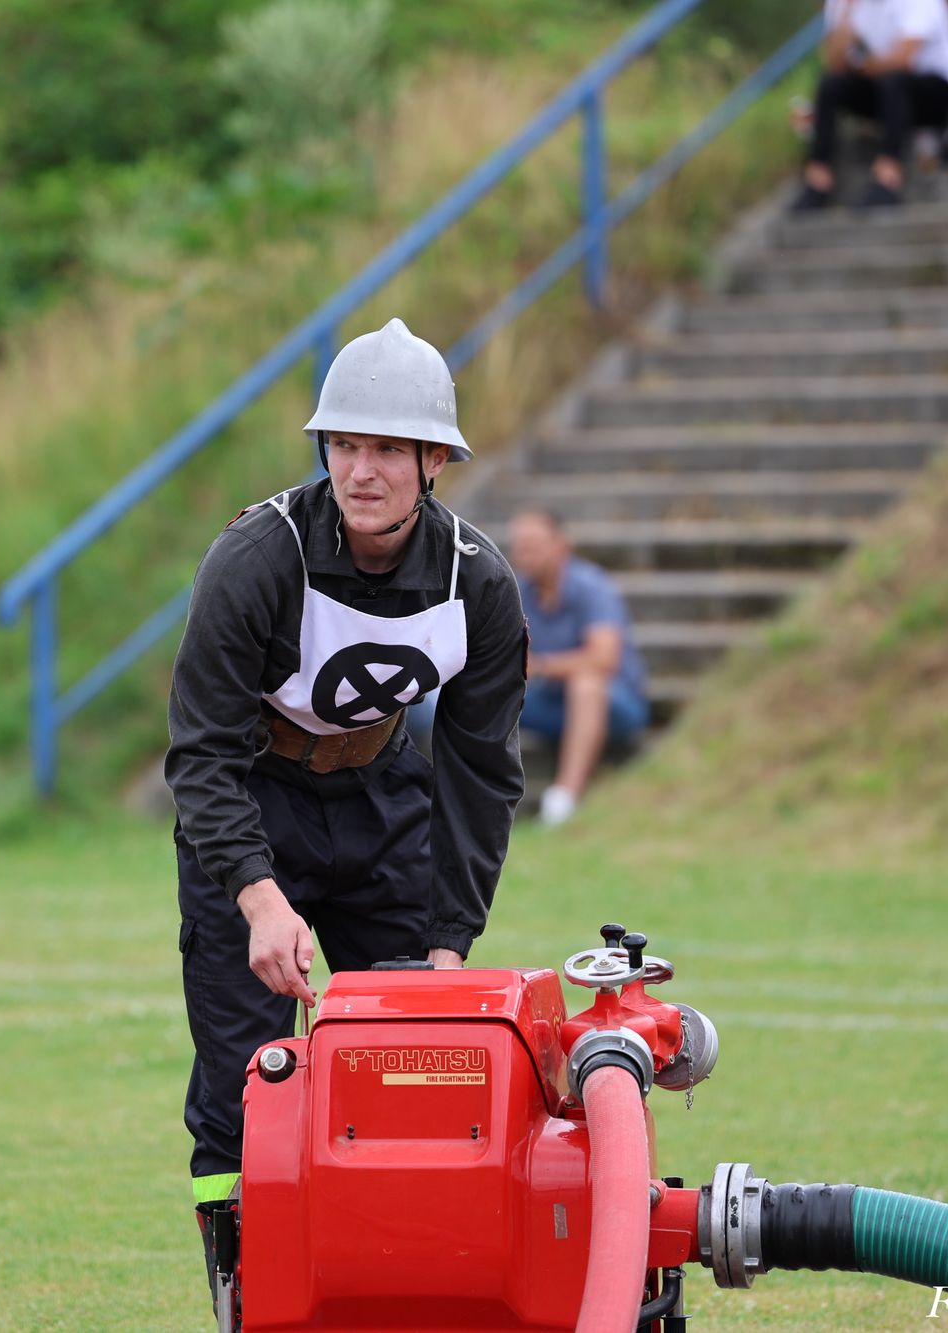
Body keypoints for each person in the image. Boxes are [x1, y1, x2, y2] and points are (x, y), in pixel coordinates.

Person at [163, 317, 527, 1306]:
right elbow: (199, 754)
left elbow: (481, 771)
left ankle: (399, 1296)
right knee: (245, 1089)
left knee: (416, 1072)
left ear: (434, 461)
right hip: (252, 801)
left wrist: (450, 942)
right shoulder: (256, 558)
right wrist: (258, 899)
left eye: (388, 449)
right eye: (344, 445)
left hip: (383, 800)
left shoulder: (478, 585)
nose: (361, 471)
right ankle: (250, 1303)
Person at [506, 507, 649, 828]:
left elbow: (604, 659)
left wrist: (543, 666)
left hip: (613, 703)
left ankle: (564, 798)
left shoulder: (592, 586)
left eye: (533, 545)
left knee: (585, 683)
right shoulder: (517, 589)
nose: (524, 554)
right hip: (550, 701)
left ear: (561, 546)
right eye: (519, 546)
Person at [792, 0, 948, 211]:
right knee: (831, 84)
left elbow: (904, 60)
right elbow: (834, 63)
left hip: (939, 94)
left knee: (894, 81)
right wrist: (846, 13)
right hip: (887, 91)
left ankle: (888, 176)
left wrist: (862, 67)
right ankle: (818, 178)